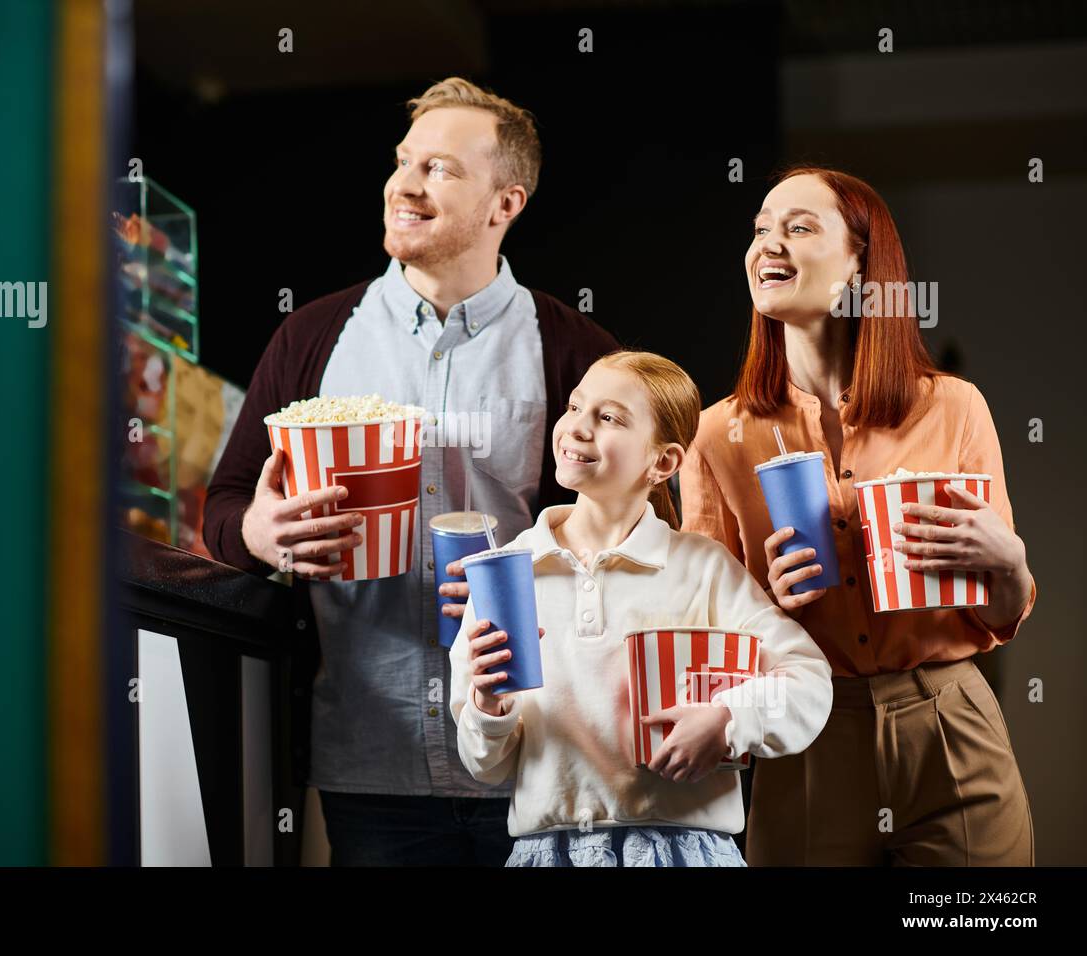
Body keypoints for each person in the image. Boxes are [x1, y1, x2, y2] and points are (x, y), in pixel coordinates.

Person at [202, 77, 619, 865]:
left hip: (535, 759)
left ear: (505, 204)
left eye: (441, 169)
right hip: (369, 761)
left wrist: (547, 579)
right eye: (404, 162)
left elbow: (636, 537)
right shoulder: (312, 337)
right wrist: (259, 532)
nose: (406, 184)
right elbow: (224, 505)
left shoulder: (580, 353)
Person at [679, 166, 1037, 865]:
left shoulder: (955, 406)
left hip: (952, 727)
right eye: (759, 230)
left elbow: (1000, 614)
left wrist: (1012, 567)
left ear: (860, 266)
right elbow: (707, 643)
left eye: (799, 227)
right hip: (806, 731)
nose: (767, 245)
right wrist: (766, 609)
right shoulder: (715, 435)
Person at [448, 351, 833, 866]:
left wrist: (727, 719)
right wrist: (488, 703)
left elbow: (809, 681)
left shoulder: (704, 568)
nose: (577, 428)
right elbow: (485, 765)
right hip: (548, 852)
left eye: (608, 418)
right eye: (575, 406)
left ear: (664, 462)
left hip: (686, 852)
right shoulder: (508, 574)